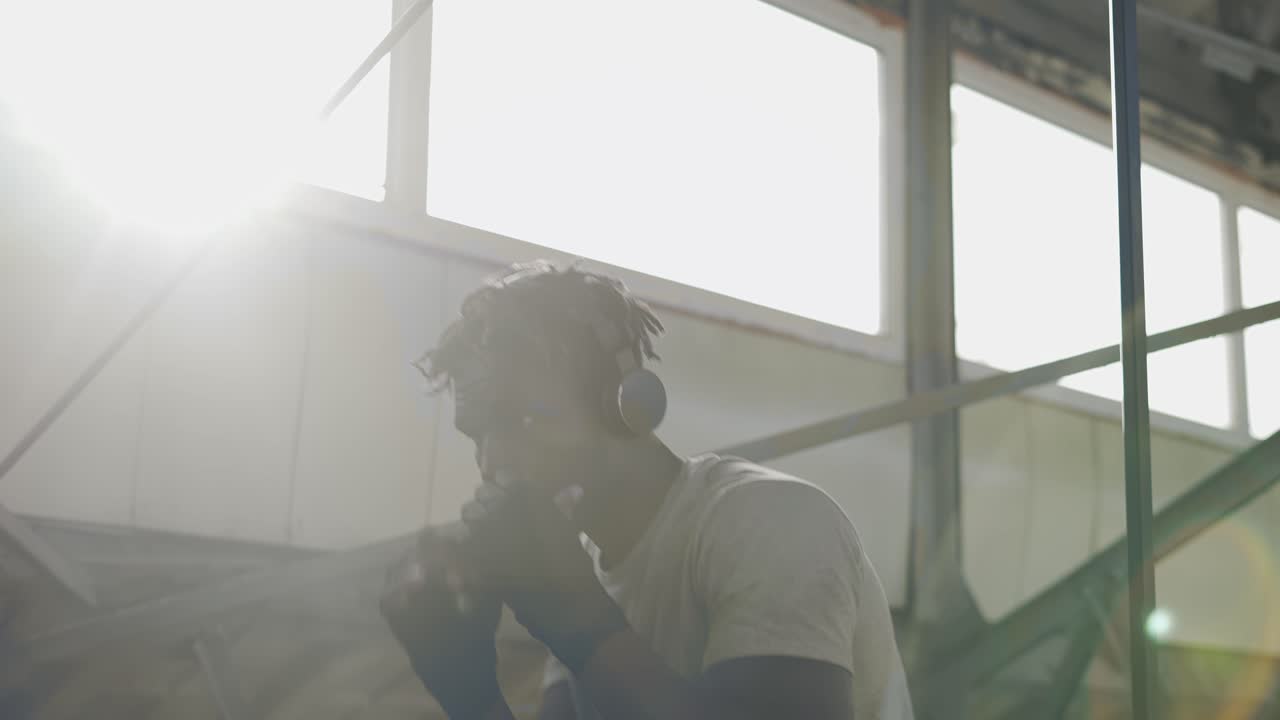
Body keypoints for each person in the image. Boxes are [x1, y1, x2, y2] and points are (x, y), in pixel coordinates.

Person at [380, 261, 914, 720]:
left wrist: (576, 617)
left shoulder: (774, 522)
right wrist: (467, 689)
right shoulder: (587, 586)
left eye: (522, 417)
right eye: (477, 434)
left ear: (626, 404)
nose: (493, 460)